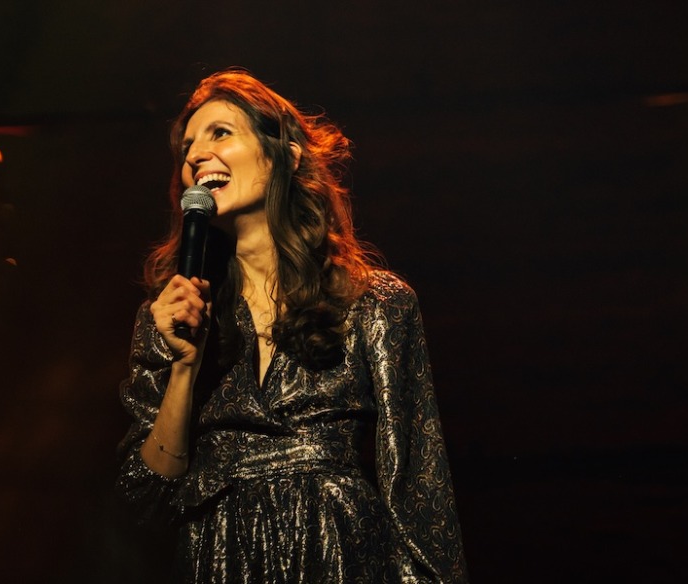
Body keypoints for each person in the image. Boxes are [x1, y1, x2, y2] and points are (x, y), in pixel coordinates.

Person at [116, 68, 468, 584]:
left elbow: (420, 492)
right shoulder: (171, 314)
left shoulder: (373, 303)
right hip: (218, 556)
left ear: (286, 155)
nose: (195, 155)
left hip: (339, 553)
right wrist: (186, 366)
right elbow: (145, 499)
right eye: (187, 147)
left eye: (220, 133)